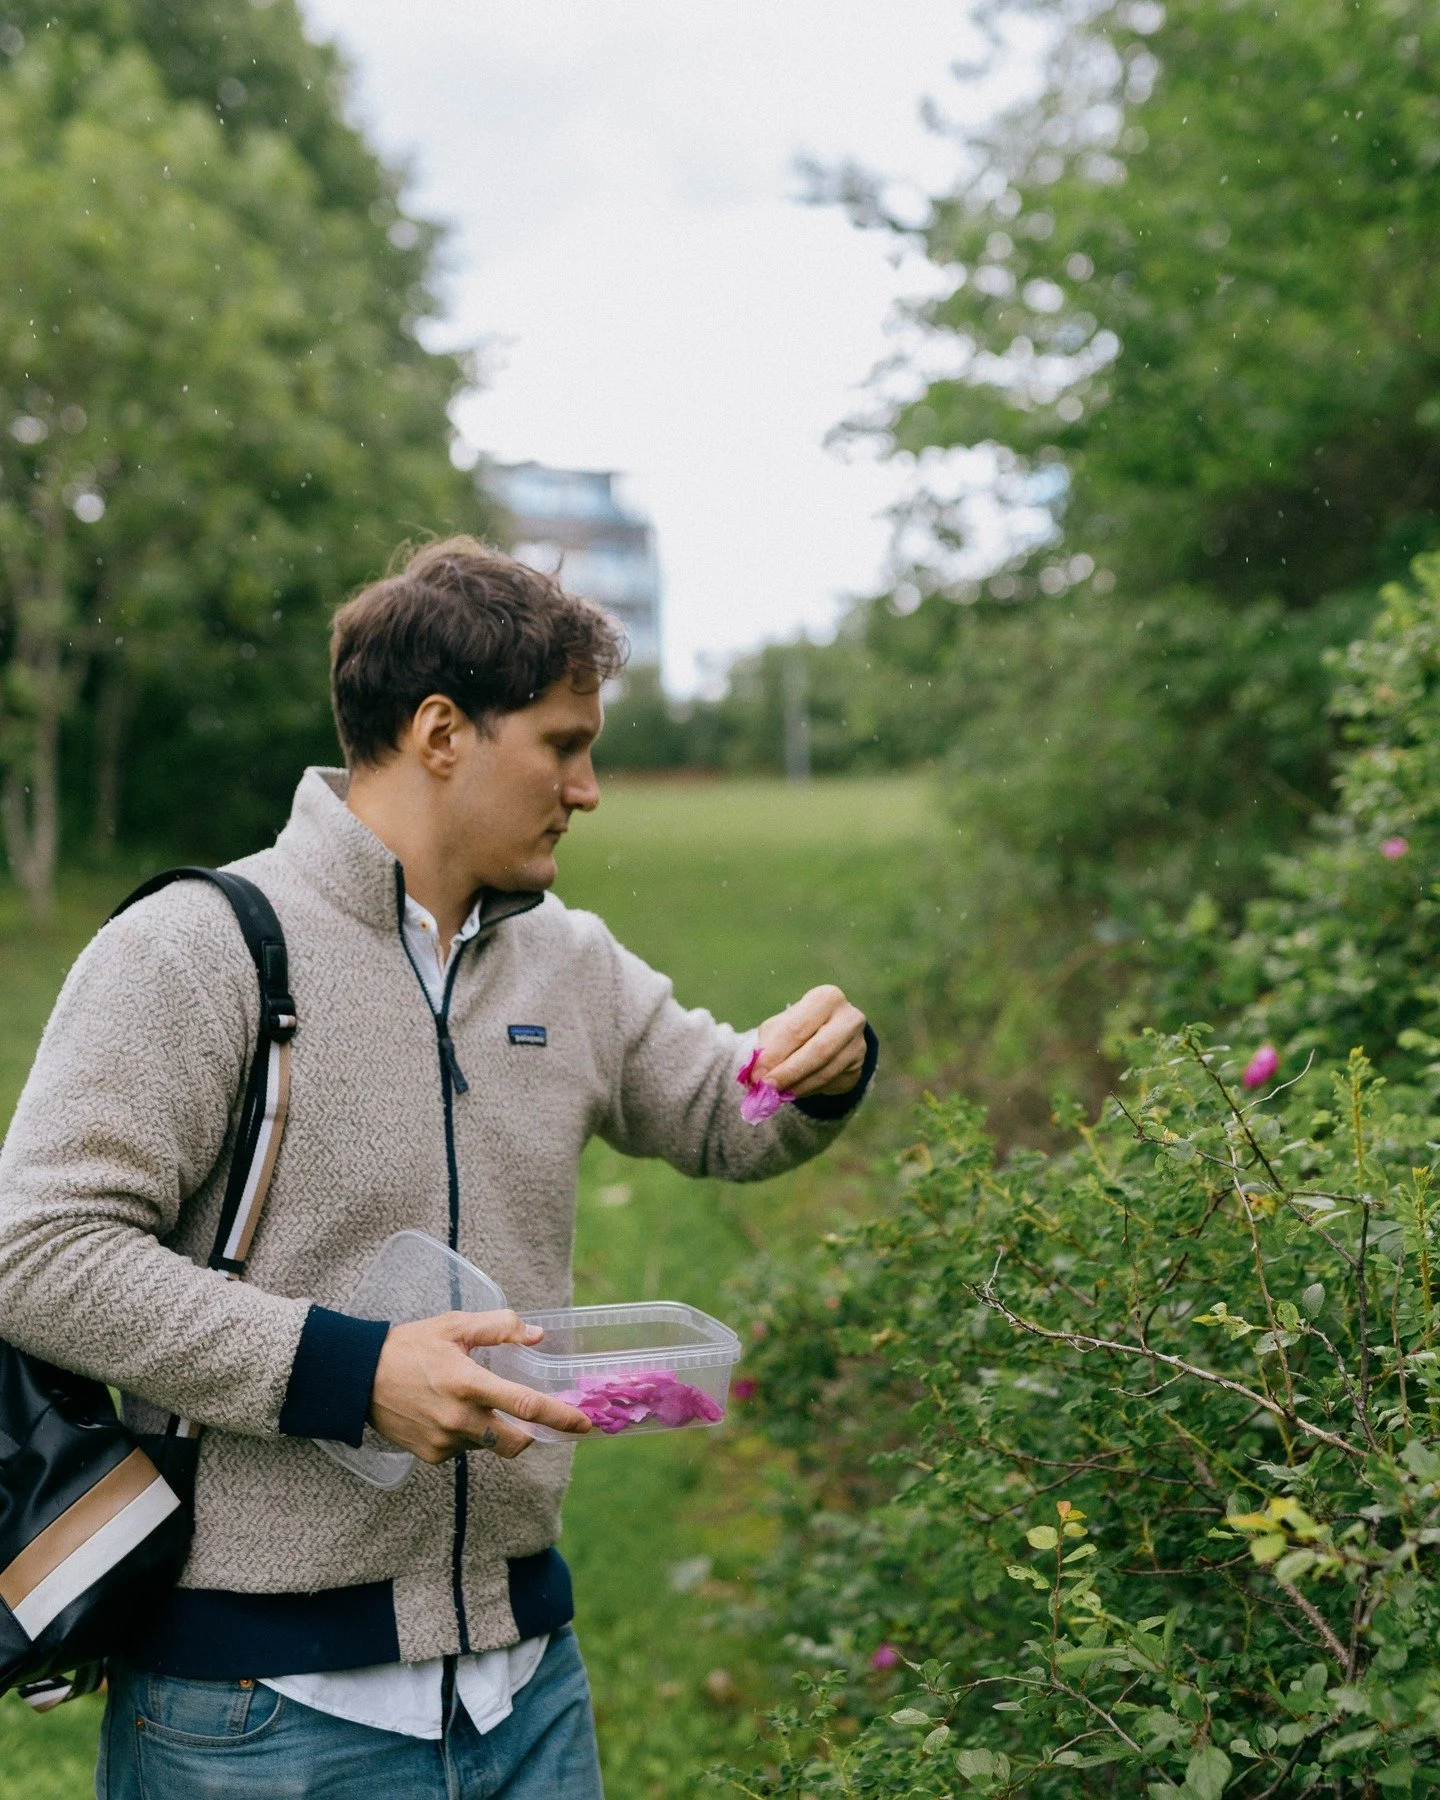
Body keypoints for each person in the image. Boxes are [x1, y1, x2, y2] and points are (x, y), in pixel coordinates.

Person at [0, 537, 877, 1799]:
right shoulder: (194, 950)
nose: (588, 789)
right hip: (253, 1717)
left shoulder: (566, 962)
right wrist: (352, 1375)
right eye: (564, 746)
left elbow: (719, 1113)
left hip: (526, 1692)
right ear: (441, 732)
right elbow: (40, 1256)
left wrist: (819, 1070)